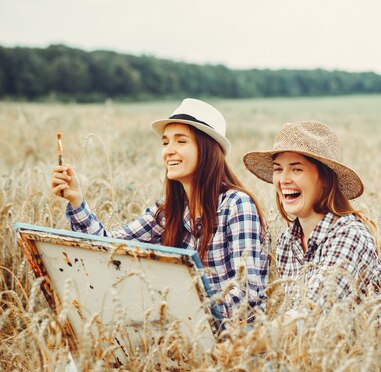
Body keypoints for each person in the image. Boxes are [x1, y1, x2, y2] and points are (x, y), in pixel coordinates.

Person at [50, 98, 269, 327]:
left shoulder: (237, 205)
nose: (168, 151)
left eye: (181, 141)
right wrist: (76, 200)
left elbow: (246, 295)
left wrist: (182, 313)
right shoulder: (169, 210)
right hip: (182, 335)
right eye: (165, 143)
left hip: (233, 346)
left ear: (207, 150)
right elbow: (107, 247)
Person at [243, 121, 381, 310]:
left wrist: (255, 338)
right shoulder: (287, 242)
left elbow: (313, 312)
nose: (283, 179)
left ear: (324, 180)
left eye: (297, 169)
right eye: (278, 169)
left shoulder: (350, 235)